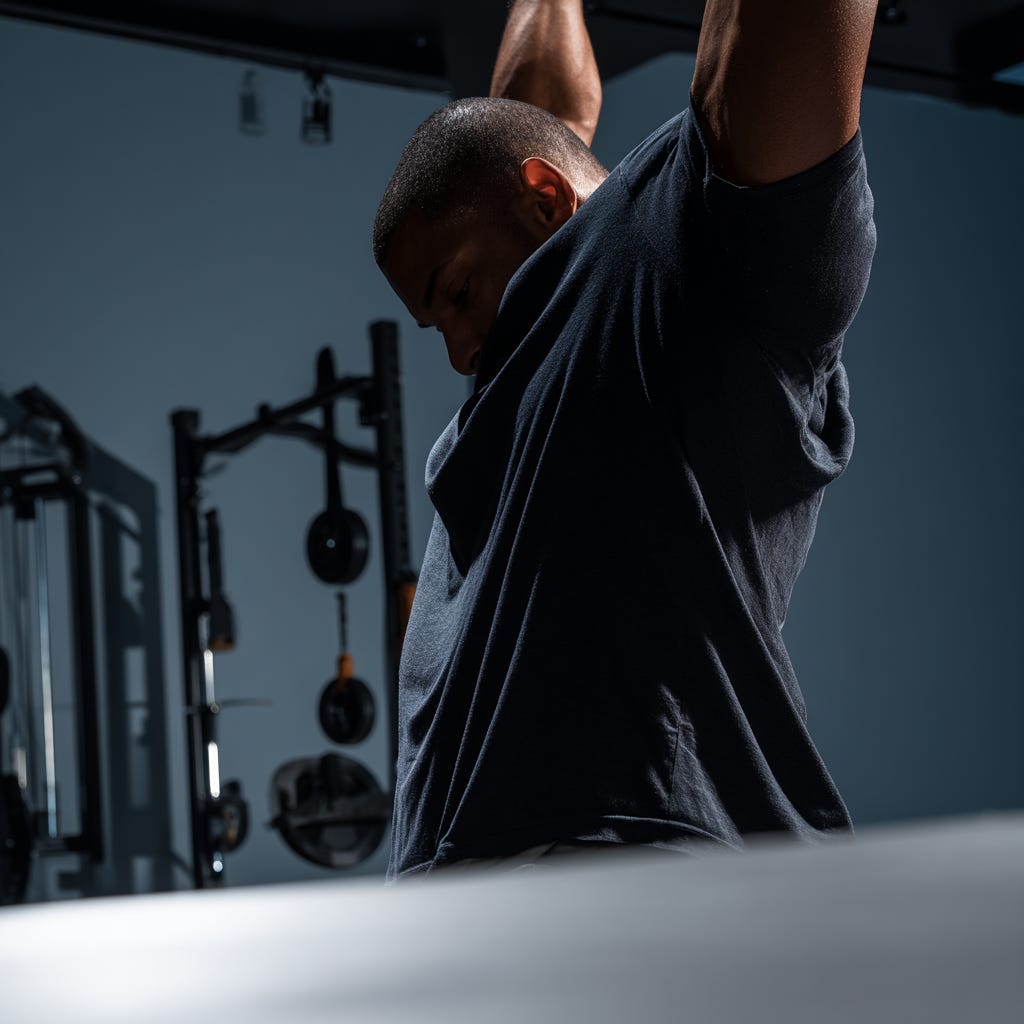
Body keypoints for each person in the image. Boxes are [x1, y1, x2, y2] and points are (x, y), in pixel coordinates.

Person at [374, 0, 878, 883]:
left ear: (544, 201)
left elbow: (772, 40)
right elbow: (530, 121)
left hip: (622, 872)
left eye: (455, 293)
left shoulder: (684, 260)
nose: (457, 350)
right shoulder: (521, 354)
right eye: (432, 323)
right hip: (454, 924)